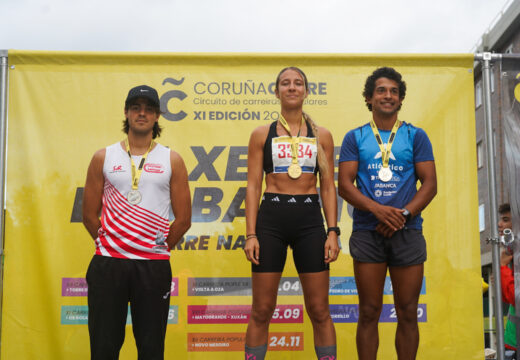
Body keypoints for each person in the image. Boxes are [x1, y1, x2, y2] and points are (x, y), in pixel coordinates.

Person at [82, 85, 191, 360]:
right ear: (126, 113)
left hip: (153, 267)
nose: (141, 113)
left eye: (148, 109)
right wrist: (111, 243)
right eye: (136, 108)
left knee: (151, 349)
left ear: (157, 116)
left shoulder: (171, 159)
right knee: (104, 348)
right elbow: (88, 214)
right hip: (109, 264)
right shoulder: (103, 157)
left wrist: (158, 246)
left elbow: (184, 219)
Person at [338, 67, 437, 360]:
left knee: (407, 311)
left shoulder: (415, 136)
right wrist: (378, 211)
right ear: (369, 98)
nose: (388, 96)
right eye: (381, 90)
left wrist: (403, 215)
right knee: (369, 311)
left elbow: (430, 185)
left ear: (401, 99)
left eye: (394, 91)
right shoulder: (355, 137)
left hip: (407, 231)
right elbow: (344, 185)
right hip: (369, 231)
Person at [243, 67, 339, 360]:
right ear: (277, 92)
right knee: (261, 309)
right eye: (285, 83)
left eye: (298, 83)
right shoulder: (262, 134)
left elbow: (327, 187)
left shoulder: (322, 135)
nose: (292, 87)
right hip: (271, 219)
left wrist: (332, 231)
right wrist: (251, 234)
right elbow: (252, 185)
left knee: (320, 309)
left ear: (307, 91)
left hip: (310, 223)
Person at [499, 203, 517, 359]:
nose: (500, 224)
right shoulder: (513, 254)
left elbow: (514, 296)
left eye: (505, 220)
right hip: (513, 341)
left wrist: (503, 268)